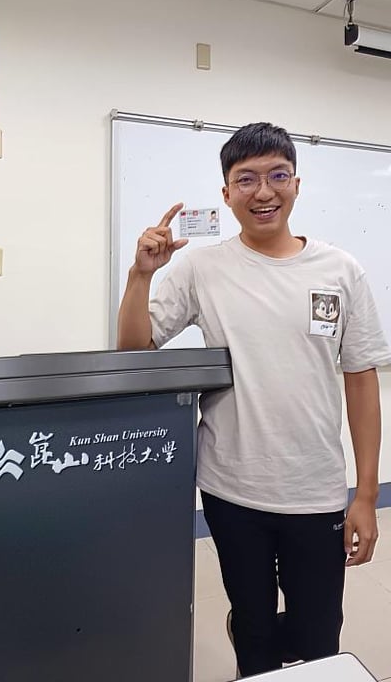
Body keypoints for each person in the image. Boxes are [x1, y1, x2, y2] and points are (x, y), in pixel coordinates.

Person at [117, 122, 391, 677]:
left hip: (314, 490)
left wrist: (365, 494)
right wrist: (140, 276)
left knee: (319, 634)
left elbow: (361, 380)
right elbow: (135, 350)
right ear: (226, 193)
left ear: (296, 184)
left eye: (277, 176)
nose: (263, 191)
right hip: (230, 490)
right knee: (253, 626)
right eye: (246, 179)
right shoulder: (201, 268)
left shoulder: (341, 271)